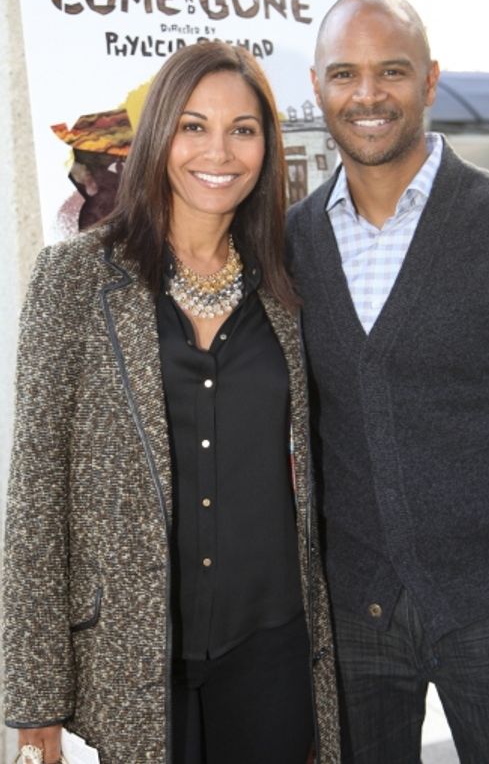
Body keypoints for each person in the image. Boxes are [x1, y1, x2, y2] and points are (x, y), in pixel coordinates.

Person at [286, 0, 489, 763]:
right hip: (351, 618)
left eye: (391, 72)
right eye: (344, 75)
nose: (367, 95)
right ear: (319, 88)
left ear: (428, 82)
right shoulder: (289, 243)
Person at [3, 41, 340, 764]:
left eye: (242, 129)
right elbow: (35, 497)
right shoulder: (75, 280)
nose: (218, 151)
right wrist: (33, 705)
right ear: (158, 135)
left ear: (266, 147)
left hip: (273, 651)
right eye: (193, 125)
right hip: (134, 661)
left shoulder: (289, 286)